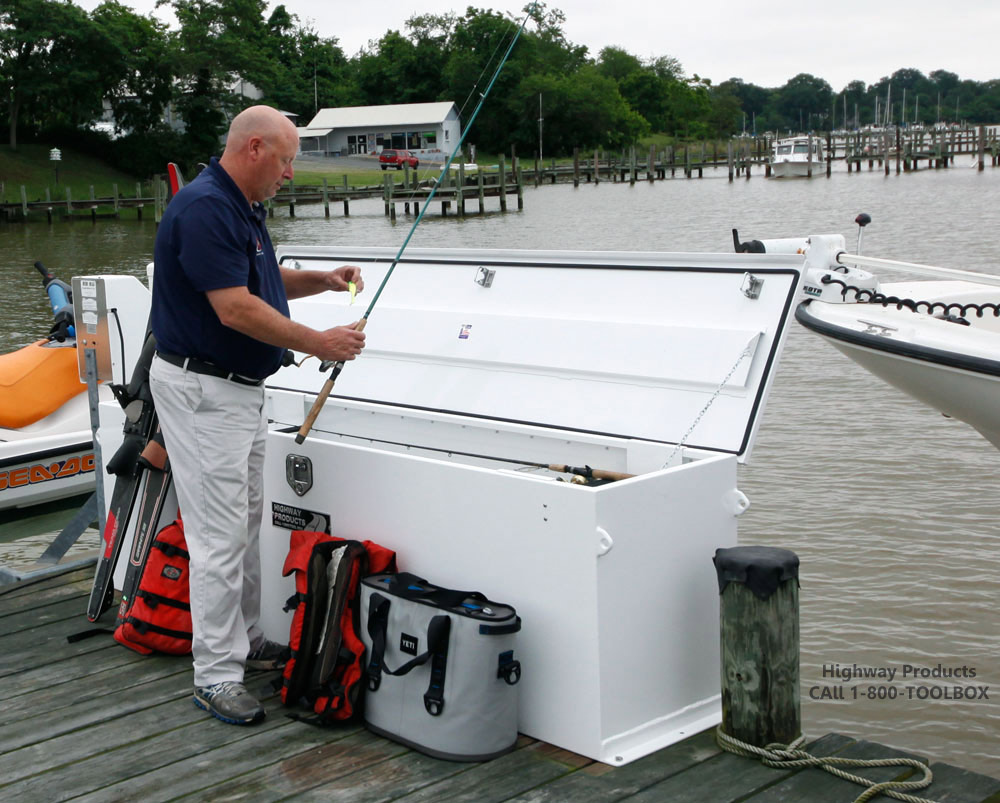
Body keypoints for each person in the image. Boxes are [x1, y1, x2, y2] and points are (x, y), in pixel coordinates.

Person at [149, 105, 366, 725]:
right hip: (205, 394)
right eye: (287, 159)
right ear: (253, 149)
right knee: (219, 536)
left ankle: (242, 642)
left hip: (237, 392)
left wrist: (320, 280)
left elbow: (260, 280)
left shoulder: (237, 205)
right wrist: (318, 342)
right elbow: (235, 309)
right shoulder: (205, 208)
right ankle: (215, 675)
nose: (291, 174)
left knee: (243, 522)